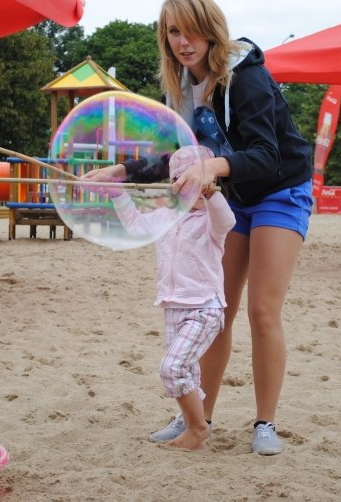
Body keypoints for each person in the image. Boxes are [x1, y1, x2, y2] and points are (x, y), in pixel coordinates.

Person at [82, 0, 313, 455]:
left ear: (211, 30)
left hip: (279, 190)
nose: (182, 42)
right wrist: (125, 173)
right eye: (171, 32)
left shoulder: (245, 77)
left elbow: (267, 156)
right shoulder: (181, 86)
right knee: (214, 311)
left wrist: (212, 169)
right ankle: (198, 418)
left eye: (190, 31)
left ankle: (265, 423)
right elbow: (179, 156)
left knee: (262, 311)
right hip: (227, 196)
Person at [109, 145, 235, 450]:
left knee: (172, 368)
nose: (184, 187)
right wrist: (117, 193)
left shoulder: (211, 221)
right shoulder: (165, 217)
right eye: (178, 180)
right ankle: (195, 428)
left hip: (205, 308)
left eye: (191, 180)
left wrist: (211, 195)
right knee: (187, 373)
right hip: (172, 308)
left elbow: (227, 221)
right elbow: (136, 226)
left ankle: (197, 427)